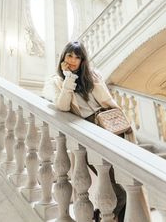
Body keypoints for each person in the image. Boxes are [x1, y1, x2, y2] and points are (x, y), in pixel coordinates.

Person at [43, 41, 126, 222]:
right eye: (70, 56)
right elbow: (62, 106)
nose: (73, 60)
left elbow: (107, 101)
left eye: (77, 57)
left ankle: (104, 216)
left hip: (108, 128)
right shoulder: (56, 81)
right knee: (118, 190)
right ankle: (100, 216)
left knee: (122, 184)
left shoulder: (92, 77)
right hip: (88, 132)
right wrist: (68, 79)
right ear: (63, 58)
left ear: (83, 60)